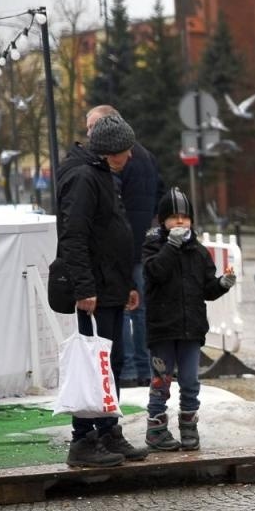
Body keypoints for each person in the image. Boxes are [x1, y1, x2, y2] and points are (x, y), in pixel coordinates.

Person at [55, 111, 147, 468]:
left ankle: (109, 431)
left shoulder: (101, 173)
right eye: (126, 150)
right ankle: (83, 439)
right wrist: (84, 287)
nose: (131, 156)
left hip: (110, 287)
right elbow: (74, 236)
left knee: (112, 364)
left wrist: (125, 286)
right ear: (111, 151)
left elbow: (112, 234)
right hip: (94, 291)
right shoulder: (83, 178)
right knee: (94, 365)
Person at [141, 188, 236, 452]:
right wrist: (171, 246)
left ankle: (189, 426)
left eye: (184, 216)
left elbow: (207, 289)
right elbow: (155, 273)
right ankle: (156, 429)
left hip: (191, 328)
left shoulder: (199, 252)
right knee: (161, 380)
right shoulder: (153, 246)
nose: (180, 222)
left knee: (191, 382)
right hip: (162, 328)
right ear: (162, 221)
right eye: (173, 217)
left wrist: (223, 283)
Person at [87, 105, 164, 389]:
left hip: (126, 247)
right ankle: (144, 365)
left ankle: (131, 368)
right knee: (140, 309)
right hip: (144, 242)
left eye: (92, 128)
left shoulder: (121, 161)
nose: (90, 134)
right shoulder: (147, 156)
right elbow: (159, 195)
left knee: (126, 308)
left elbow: (118, 209)